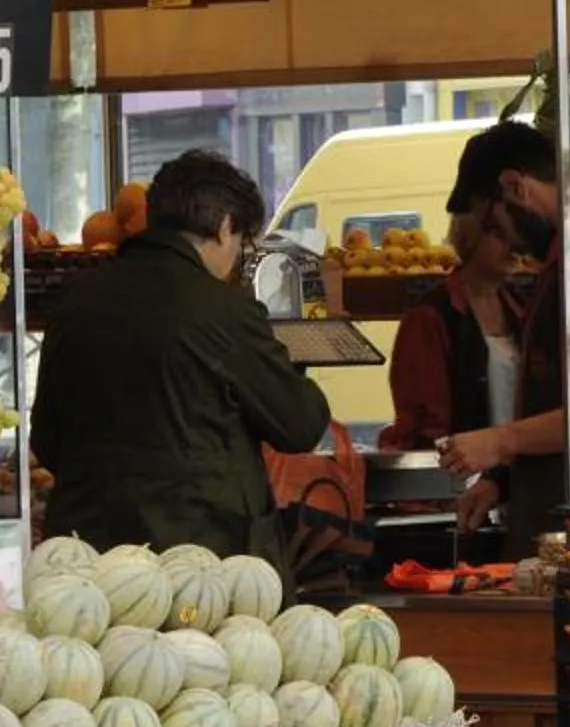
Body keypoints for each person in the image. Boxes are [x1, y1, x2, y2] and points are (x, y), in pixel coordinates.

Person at [30, 150, 329, 575]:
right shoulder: (225, 311)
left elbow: (46, 440)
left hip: (89, 564)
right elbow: (299, 424)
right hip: (198, 566)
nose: (236, 262)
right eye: (243, 244)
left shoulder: (75, 302)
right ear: (226, 226)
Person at [432, 121, 570, 558]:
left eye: (495, 224)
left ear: (515, 186)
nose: (510, 243)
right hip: (563, 521)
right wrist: (503, 481)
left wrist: (499, 442)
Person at [379, 199, 529, 455]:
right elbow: (423, 423)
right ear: (469, 238)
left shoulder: (522, 309)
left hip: (520, 475)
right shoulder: (430, 317)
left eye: (517, 233)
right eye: (497, 233)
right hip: (461, 479)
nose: (514, 245)